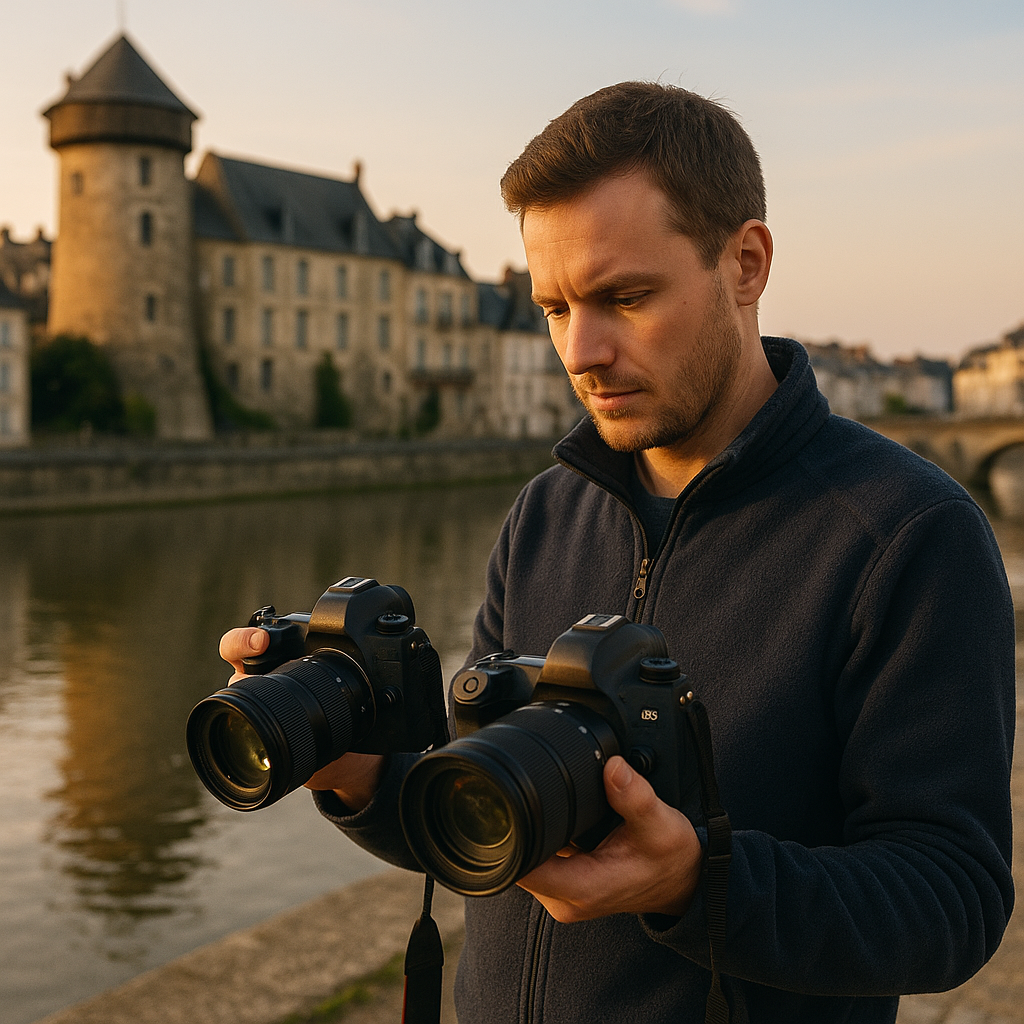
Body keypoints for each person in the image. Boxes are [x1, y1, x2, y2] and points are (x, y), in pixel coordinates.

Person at [221, 83, 1015, 1023]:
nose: (581, 350)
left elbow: (951, 901)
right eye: (554, 307)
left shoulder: (907, 533)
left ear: (746, 265)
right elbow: (490, 819)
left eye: (625, 298)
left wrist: (695, 882)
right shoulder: (546, 512)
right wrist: (363, 776)